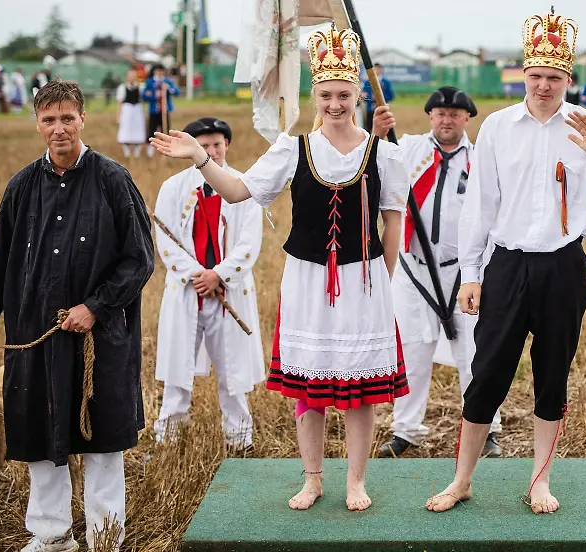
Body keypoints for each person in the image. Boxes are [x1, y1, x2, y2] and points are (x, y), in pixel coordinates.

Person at [150, 24, 409, 512]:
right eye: (327, 95)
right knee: (310, 391)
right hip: (308, 281)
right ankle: (313, 479)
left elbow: (393, 219)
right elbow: (238, 191)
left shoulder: (385, 154)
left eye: (344, 95)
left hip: (365, 282)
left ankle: (355, 481)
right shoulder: (293, 149)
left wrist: (385, 279)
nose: (336, 104)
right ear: (315, 95)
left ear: (358, 94)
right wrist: (201, 158)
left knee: (360, 393)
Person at [426, 7, 586, 515]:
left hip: (563, 267)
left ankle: (539, 482)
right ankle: (462, 480)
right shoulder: (499, 127)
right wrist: (471, 275)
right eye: (536, 76)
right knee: (486, 374)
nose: (544, 86)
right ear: (523, 75)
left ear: (567, 78)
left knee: (553, 374)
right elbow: (479, 206)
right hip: (506, 266)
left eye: (554, 77)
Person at [0, 80, 154, 552]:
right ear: (38, 123)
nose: (59, 128)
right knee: (40, 438)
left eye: (67, 118)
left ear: (83, 119)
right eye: (49, 120)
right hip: (35, 338)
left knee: (101, 441)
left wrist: (95, 306)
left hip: (99, 338)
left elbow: (139, 260)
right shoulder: (22, 185)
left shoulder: (113, 179)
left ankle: (106, 544)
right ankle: (50, 535)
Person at [371, 87, 503, 459]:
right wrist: (376, 133)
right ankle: (406, 430)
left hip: (464, 274)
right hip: (413, 271)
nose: (447, 120)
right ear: (431, 117)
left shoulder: (481, 160)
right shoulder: (408, 149)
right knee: (413, 350)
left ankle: (486, 429)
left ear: (466, 119)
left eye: (455, 114)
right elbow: (371, 165)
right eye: (440, 113)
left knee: (475, 354)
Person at [153, 117, 266, 450]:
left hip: (229, 294)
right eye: (203, 146)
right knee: (177, 375)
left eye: (217, 144)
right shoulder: (173, 188)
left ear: (227, 145)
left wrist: (220, 274)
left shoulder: (245, 186)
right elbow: (166, 241)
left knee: (233, 376)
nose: (212, 151)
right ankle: (168, 441)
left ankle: (239, 440)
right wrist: (197, 276)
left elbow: (249, 243)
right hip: (188, 293)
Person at [142, 65, 179, 158]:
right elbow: (144, 96)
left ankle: (165, 151)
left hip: (165, 110)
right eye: (158, 71)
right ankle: (149, 152)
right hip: (154, 111)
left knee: (165, 131)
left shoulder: (167, 81)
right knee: (152, 131)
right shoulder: (150, 82)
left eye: (161, 71)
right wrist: (155, 95)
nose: (159, 73)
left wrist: (169, 89)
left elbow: (176, 92)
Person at [116, 69, 146, 159]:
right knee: (126, 130)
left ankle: (137, 153)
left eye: (134, 76)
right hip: (127, 110)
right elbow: (119, 102)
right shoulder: (122, 87)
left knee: (138, 130)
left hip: (137, 110)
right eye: (130, 76)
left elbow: (143, 100)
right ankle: (127, 153)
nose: (132, 78)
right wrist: (118, 115)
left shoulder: (140, 87)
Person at [361, 63, 394, 132]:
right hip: (370, 109)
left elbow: (391, 95)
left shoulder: (386, 82)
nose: (377, 70)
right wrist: (371, 98)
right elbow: (364, 95)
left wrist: (380, 98)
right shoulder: (367, 82)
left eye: (378, 69)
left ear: (382, 70)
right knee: (368, 128)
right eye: (375, 69)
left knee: (385, 128)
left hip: (382, 109)